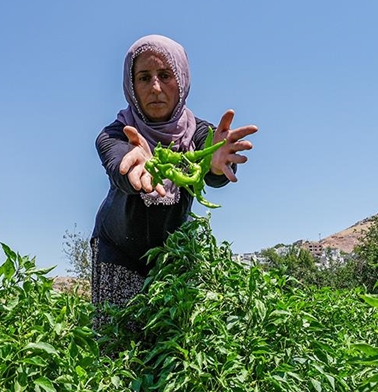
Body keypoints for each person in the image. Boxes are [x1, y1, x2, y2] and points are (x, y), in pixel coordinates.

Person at [91, 34, 258, 328]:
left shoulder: (200, 133)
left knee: (171, 342)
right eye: (144, 77)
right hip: (117, 254)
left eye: (165, 75)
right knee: (118, 346)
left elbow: (213, 168)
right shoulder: (116, 134)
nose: (155, 87)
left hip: (173, 254)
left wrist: (215, 165)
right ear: (132, 86)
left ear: (180, 79)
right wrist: (135, 170)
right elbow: (119, 166)